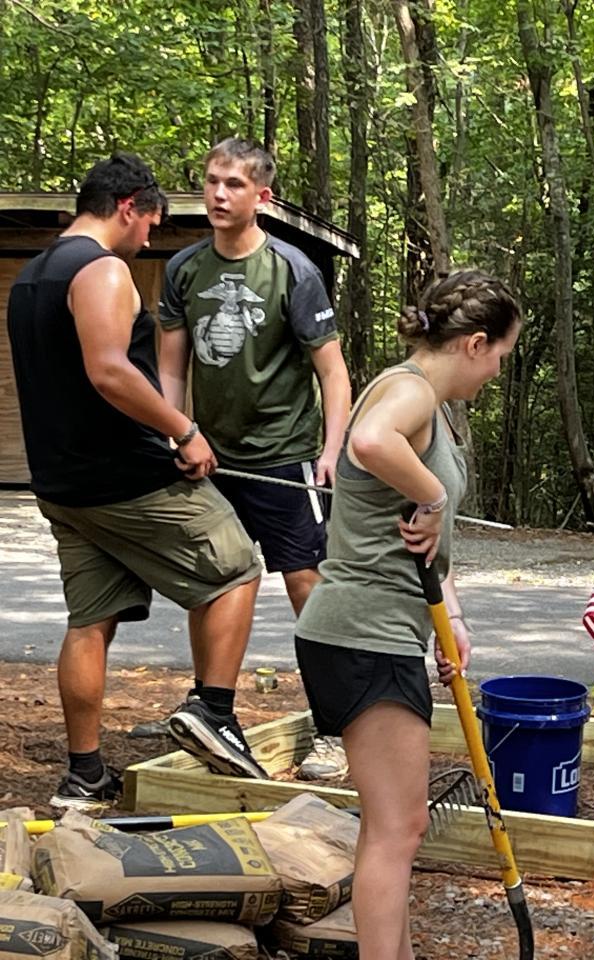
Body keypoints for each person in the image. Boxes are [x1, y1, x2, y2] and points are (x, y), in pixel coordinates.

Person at [6, 153, 270, 809]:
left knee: (91, 619)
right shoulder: (100, 270)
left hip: (63, 485)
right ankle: (213, 711)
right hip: (128, 478)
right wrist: (184, 430)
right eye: (150, 224)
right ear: (128, 207)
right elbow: (108, 370)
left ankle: (84, 775)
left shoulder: (32, 277)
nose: (148, 240)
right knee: (237, 568)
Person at [293, 270, 520, 960]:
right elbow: (368, 442)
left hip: (379, 629)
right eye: (501, 355)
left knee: (391, 828)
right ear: (475, 344)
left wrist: (453, 620)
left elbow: (419, 544)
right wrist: (433, 495)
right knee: (400, 829)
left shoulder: (427, 403)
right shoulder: (411, 390)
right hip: (363, 630)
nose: (497, 372)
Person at [156, 138, 353, 779]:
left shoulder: (292, 270)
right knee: (212, 583)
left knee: (307, 586)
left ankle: (334, 727)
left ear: (261, 197)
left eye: (234, 184)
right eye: (212, 180)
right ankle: (207, 714)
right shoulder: (183, 268)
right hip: (210, 457)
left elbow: (333, 372)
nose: (219, 194)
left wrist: (332, 450)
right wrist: (178, 433)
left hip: (284, 455)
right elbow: (171, 367)